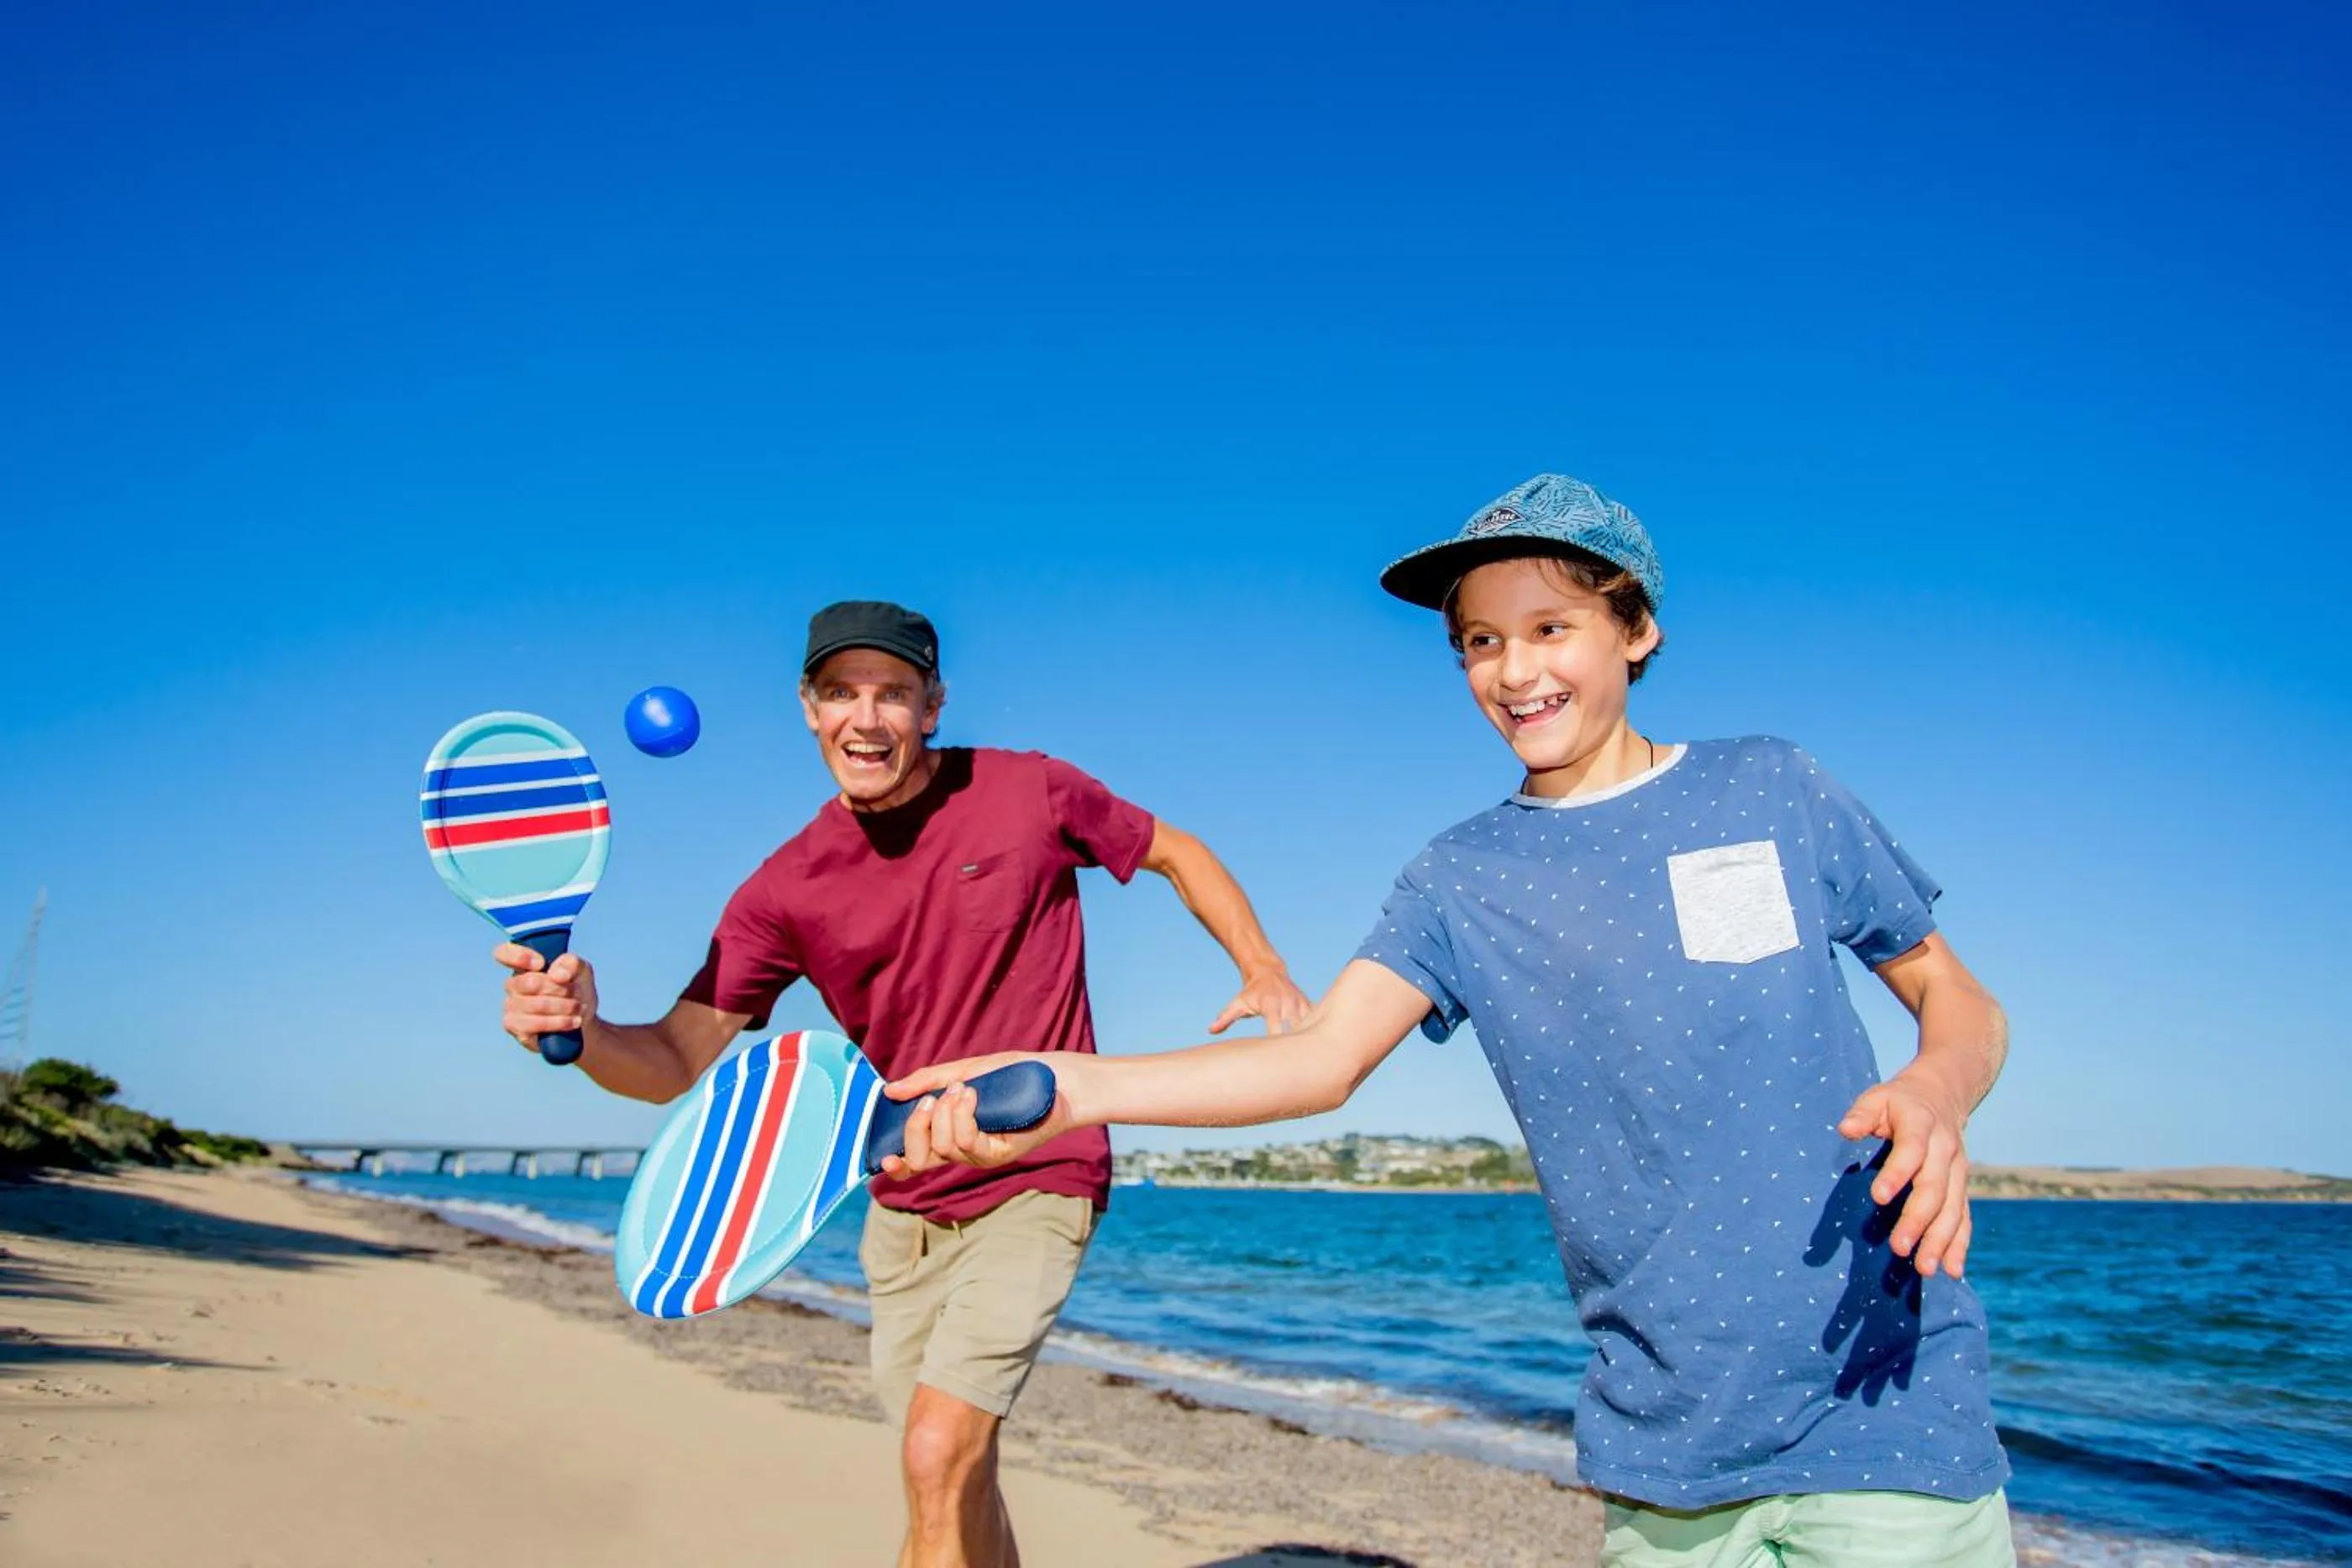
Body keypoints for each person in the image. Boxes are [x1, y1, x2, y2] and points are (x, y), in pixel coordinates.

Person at [885, 478, 2018, 1567]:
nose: (1515, 670)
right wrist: (1068, 1085)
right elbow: (1322, 1060)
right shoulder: (1459, 877)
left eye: (1550, 626)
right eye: (1480, 640)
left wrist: (1937, 1088)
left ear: (1636, 630)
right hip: (1669, 1451)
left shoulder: (1770, 787)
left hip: (1888, 1408)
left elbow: (1956, 996)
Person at [497, 599, 1310, 1568]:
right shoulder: (783, 890)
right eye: (841, 693)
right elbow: (672, 1059)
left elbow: (1173, 849)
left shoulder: (1027, 791)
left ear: (933, 704)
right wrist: (580, 1029)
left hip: (1037, 1171)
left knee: (935, 1453)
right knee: (958, 1474)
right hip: (898, 1200)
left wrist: (1260, 966)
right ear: (808, 707)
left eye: (892, 693)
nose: (866, 718)